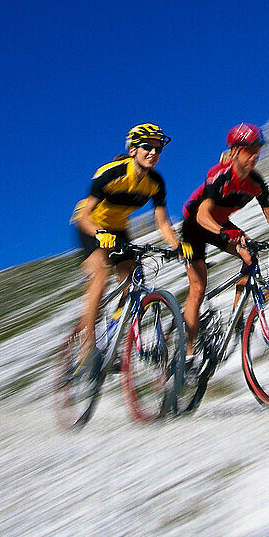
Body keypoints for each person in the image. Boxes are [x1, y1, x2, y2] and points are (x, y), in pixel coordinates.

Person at [72, 122, 184, 380]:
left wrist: (177, 247)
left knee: (133, 280)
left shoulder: (156, 182)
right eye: (147, 147)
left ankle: (113, 333)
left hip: (119, 231)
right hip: (91, 226)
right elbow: (85, 216)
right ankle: (86, 350)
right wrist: (100, 234)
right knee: (101, 277)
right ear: (133, 149)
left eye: (157, 148)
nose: (153, 152)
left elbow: (162, 222)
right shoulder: (110, 173)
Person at [180, 122, 269, 357]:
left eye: (257, 151)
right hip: (195, 224)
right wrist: (224, 233)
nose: (254, 157)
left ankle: (237, 319)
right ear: (235, 151)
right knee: (198, 287)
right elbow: (202, 214)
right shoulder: (219, 175)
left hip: (220, 223)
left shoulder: (256, 183)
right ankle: (188, 353)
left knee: (250, 256)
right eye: (249, 151)